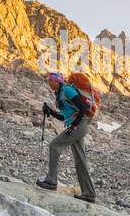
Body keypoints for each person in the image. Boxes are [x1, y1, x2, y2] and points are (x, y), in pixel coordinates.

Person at [36, 71, 96, 202]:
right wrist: (50, 112)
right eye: (48, 81)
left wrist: (74, 124)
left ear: (58, 81)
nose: (49, 83)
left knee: (54, 145)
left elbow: (83, 107)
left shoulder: (67, 90)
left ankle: (51, 181)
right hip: (76, 126)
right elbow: (64, 116)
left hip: (77, 127)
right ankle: (89, 194)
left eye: (51, 81)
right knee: (80, 159)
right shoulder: (59, 95)